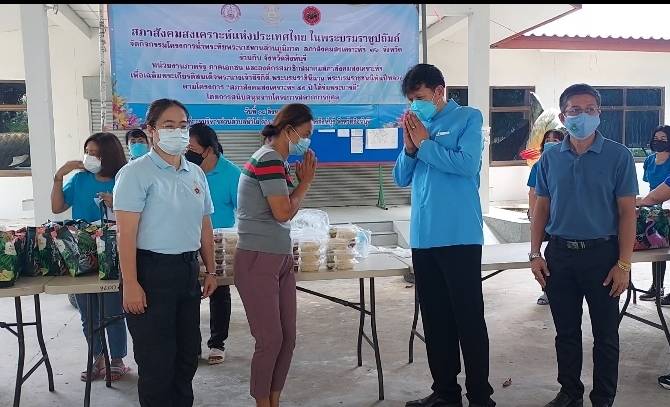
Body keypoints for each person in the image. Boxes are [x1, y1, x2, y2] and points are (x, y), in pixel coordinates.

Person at [393, 63, 495, 407]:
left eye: (419, 97)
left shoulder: (468, 118)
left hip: (459, 236)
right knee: (435, 320)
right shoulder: (417, 127)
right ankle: (445, 393)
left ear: (439, 91)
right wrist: (410, 148)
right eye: (410, 99)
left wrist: (424, 144)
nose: (414, 105)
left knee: (468, 318)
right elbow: (400, 178)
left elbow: (467, 165)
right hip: (424, 238)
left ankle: (480, 396)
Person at [530, 84, 638, 407]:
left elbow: (627, 213)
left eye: (590, 109)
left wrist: (623, 264)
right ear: (563, 117)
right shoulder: (550, 157)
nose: (583, 116)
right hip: (559, 255)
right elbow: (541, 208)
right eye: (575, 110)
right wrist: (535, 254)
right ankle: (569, 393)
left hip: (603, 257)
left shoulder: (618, 156)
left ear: (599, 114)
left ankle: (603, 398)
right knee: (566, 332)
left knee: (606, 334)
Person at [113, 99, 218, 407]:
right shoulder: (135, 173)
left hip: (186, 271)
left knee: (187, 356)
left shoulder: (195, 173)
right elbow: (125, 233)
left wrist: (211, 269)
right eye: (168, 126)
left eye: (183, 126)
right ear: (151, 130)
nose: (178, 132)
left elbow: (204, 225)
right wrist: (131, 283)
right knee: (156, 363)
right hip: (150, 272)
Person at [235, 103, 316, 407]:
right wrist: (305, 183)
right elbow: (283, 212)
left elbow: (283, 211)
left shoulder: (277, 161)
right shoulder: (268, 158)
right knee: (270, 340)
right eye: (305, 134)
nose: (306, 142)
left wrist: (299, 184)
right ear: (288, 130)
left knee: (287, 339)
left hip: (278, 257)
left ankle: (274, 400)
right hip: (258, 258)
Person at [50, 132, 130, 382]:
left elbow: (139, 212)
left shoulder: (124, 178)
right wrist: (59, 176)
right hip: (82, 251)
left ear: (110, 154)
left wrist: (116, 202)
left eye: (96, 153)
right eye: (87, 152)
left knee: (112, 308)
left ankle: (117, 359)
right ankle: (98, 357)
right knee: (88, 310)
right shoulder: (79, 179)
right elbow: (57, 207)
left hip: (113, 251)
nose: (90, 157)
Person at [185, 122, 241, 365]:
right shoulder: (184, 169)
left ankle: (217, 343)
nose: (186, 153)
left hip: (219, 244)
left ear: (208, 149)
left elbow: (244, 210)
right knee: (188, 295)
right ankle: (191, 344)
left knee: (219, 292)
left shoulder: (231, 173)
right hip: (187, 241)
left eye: (191, 148)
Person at [528, 129, 566, 306]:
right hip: (545, 219)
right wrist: (533, 215)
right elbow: (533, 193)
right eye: (548, 140)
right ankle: (546, 290)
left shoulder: (567, 162)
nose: (551, 142)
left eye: (556, 140)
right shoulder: (539, 165)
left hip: (562, 219)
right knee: (546, 256)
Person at [638, 125, 670, 305]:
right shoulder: (649, 160)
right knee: (656, 246)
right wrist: (646, 202)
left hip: (666, 207)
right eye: (656, 138)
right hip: (654, 208)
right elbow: (651, 187)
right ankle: (657, 286)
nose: (659, 142)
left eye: (663, 139)